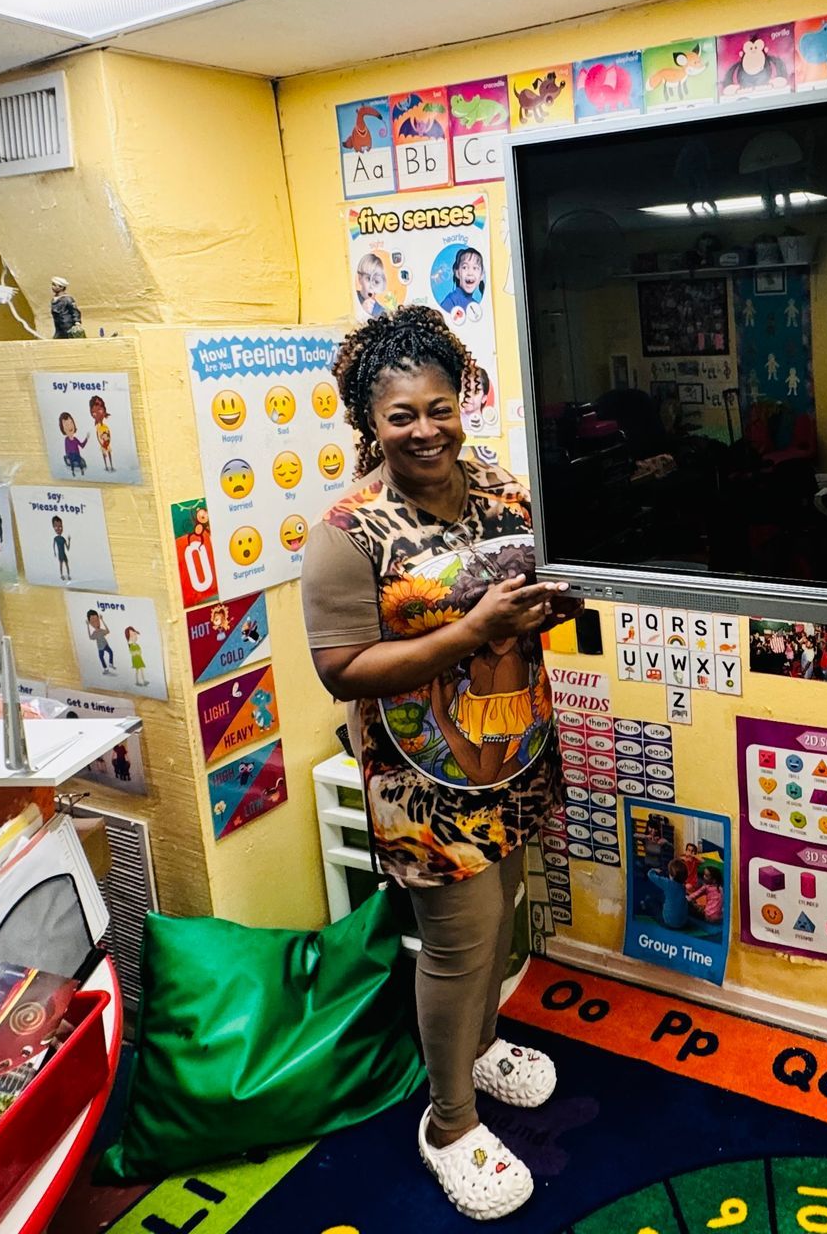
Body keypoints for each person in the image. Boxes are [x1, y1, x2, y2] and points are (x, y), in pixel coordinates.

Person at [303, 306, 576, 1220]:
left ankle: (482, 1047)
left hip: (516, 750)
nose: (425, 430)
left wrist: (553, 605)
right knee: (460, 942)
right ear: (368, 422)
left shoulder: (499, 487)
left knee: (502, 916)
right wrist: (471, 629)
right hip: (423, 785)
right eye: (401, 416)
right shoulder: (348, 531)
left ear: (462, 403)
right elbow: (342, 669)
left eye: (439, 408)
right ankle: (449, 1123)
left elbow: (533, 589)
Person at [646, 859, 693, 930]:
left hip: (669, 923)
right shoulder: (683, 886)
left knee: (650, 899)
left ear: (672, 875)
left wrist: (653, 870)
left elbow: (650, 875)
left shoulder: (667, 883)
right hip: (682, 923)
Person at [440, 247, 486, 316]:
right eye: (465, 267)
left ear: (482, 275)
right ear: (457, 273)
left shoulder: (476, 305)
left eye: (475, 268)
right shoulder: (451, 301)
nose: (470, 273)